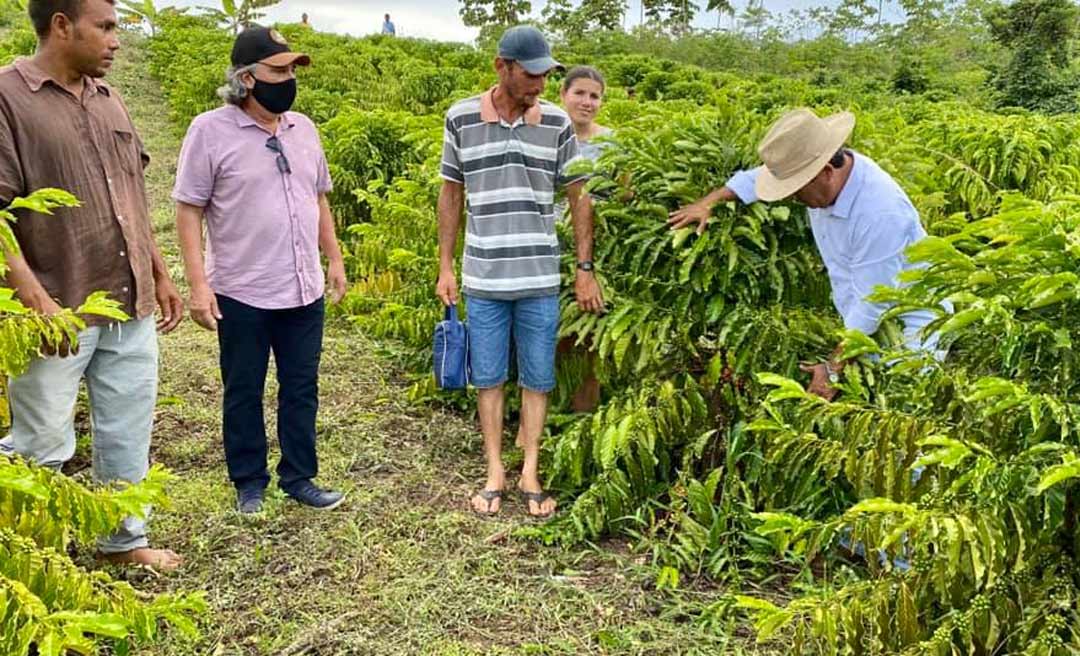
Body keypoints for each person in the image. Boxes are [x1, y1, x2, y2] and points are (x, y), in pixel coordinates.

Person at [0, 0, 184, 570]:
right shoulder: (8, 98)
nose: (115, 40)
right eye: (104, 27)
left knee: (128, 427)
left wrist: (158, 271)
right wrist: (38, 303)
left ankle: (123, 541)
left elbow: (131, 194)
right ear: (62, 25)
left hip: (129, 302)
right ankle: (32, 556)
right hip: (56, 309)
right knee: (40, 442)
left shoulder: (109, 98)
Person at [172, 26, 348, 514]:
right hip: (242, 289)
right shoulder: (209, 131)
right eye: (278, 70)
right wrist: (198, 286)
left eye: (292, 70)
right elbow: (188, 209)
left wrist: (333, 258)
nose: (289, 79)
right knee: (244, 389)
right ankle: (249, 481)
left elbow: (318, 198)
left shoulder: (303, 128)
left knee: (301, 387)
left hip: (303, 286)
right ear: (247, 78)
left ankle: (299, 476)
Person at [437, 26, 605, 517]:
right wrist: (445, 266)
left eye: (546, 75)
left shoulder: (556, 122)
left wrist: (584, 267)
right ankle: (494, 470)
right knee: (488, 378)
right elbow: (451, 194)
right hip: (484, 276)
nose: (540, 85)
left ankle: (530, 470)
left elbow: (579, 195)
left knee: (538, 377)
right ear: (501, 67)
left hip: (539, 278)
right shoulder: (461, 118)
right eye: (531, 75)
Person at [669, 108, 944, 401]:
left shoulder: (880, 214)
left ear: (825, 171)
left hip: (910, 331)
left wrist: (832, 369)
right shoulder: (826, 177)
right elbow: (757, 178)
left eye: (796, 189)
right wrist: (708, 202)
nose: (791, 197)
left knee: (901, 405)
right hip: (861, 323)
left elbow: (872, 304)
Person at [556, 65, 612, 412]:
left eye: (595, 96)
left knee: (590, 335)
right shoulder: (546, 135)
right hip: (550, 247)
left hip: (595, 250)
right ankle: (546, 413)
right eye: (579, 93)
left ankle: (582, 418)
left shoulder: (611, 142)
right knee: (555, 334)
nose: (587, 102)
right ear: (563, 95)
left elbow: (625, 193)